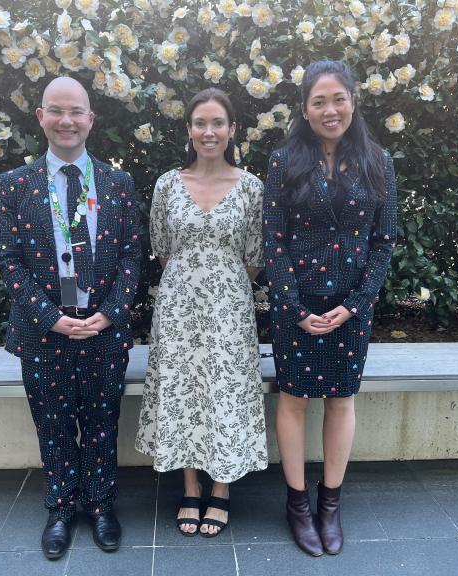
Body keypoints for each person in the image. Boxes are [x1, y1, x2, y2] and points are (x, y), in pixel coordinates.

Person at [0, 76, 141, 559]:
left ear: (90, 119)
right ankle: (59, 507)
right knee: (52, 423)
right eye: (56, 111)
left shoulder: (117, 184)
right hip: (44, 333)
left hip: (103, 330)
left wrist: (110, 315)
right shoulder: (15, 185)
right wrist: (48, 317)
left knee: (101, 420)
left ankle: (99, 505)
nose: (66, 121)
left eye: (76, 111)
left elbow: (131, 259)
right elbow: (8, 260)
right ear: (40, 117)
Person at [263, 60, 397, 556]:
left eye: (337, 98)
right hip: (295, 306)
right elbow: (272, 241)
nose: (329, 109)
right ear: (304, 109)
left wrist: (357, 305)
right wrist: (294, 305)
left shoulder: (379, 162)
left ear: (353, 101)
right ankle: (297, 504)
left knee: (341, 400)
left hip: (350, 308)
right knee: (294, 401)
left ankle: (330, 505)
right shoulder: (283, 163)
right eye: (318, 101)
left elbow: (384, 243)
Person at [135, 88, 267, 538]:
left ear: (232, 131)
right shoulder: (167, 185)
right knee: (184, 390)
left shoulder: (251, 188)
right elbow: (161, 248)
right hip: (176, 311)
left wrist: (217, 282)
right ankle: (190, 485)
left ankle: (222, 488)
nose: (208, 132)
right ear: (188, 130)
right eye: (199, 123)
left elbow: (253, 256)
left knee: (224, 392)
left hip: (230, 311)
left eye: (217, 124)